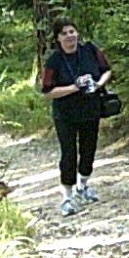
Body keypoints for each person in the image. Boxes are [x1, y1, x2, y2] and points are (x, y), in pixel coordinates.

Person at [38, 18, 113, 216]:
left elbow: (107, 71)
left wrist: (97, 85)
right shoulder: (54, 60)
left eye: (72, 31)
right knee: (69, 154)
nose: (70, 36)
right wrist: (73, 88)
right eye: (64, 33)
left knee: (89, 151)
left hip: (91, 110)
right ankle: (67, 197)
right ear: (58, 38)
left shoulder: (89, 50)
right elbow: (47, 91)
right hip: (65, 115)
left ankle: (83, 185)